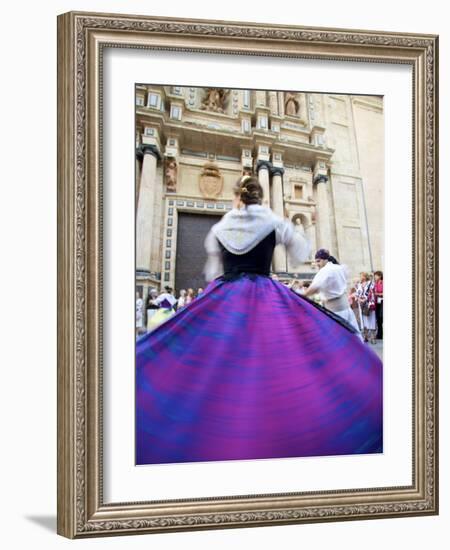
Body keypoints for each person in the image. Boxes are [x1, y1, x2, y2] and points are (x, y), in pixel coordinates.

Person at [136, 174, 382, 465]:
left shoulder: (221, 226)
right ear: (261, 197)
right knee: (281, 353)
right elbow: (302, 250)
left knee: (221, 358)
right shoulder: (273, 220)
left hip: (225, 296)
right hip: (266, 293)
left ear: (237, 197)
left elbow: (212, 270)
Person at [303, 249, 362, 337]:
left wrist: (300, 296)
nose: (317, 264)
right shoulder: (339, 268)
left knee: (337, 340)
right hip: (345, 309)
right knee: (352, 338)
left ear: (324, 259)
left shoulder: (325, 271)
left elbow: (314, 288)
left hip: (336, 312)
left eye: (318, 261)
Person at [357, 272, 377, 344]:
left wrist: (365, 299)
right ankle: (365, 336)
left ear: (365, 276)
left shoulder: (370, 283)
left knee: (371, 319)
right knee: (364, 320)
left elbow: (371, 293)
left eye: (361, 276)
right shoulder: (359, 284)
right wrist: (359, 299)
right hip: (361, 304)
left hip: (368, 303)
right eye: (360, 276)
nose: (360, 277)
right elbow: (357, 294)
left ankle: (373, 337)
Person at [374, 271, 384, 340]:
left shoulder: (383, 283)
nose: (375, 277)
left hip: (383, 302)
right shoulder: (375, 283)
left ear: (380, 276)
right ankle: (379, 334)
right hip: (377, 302)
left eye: (376, 275)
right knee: (378, 319)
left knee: (382, 317)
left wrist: (377, 294)